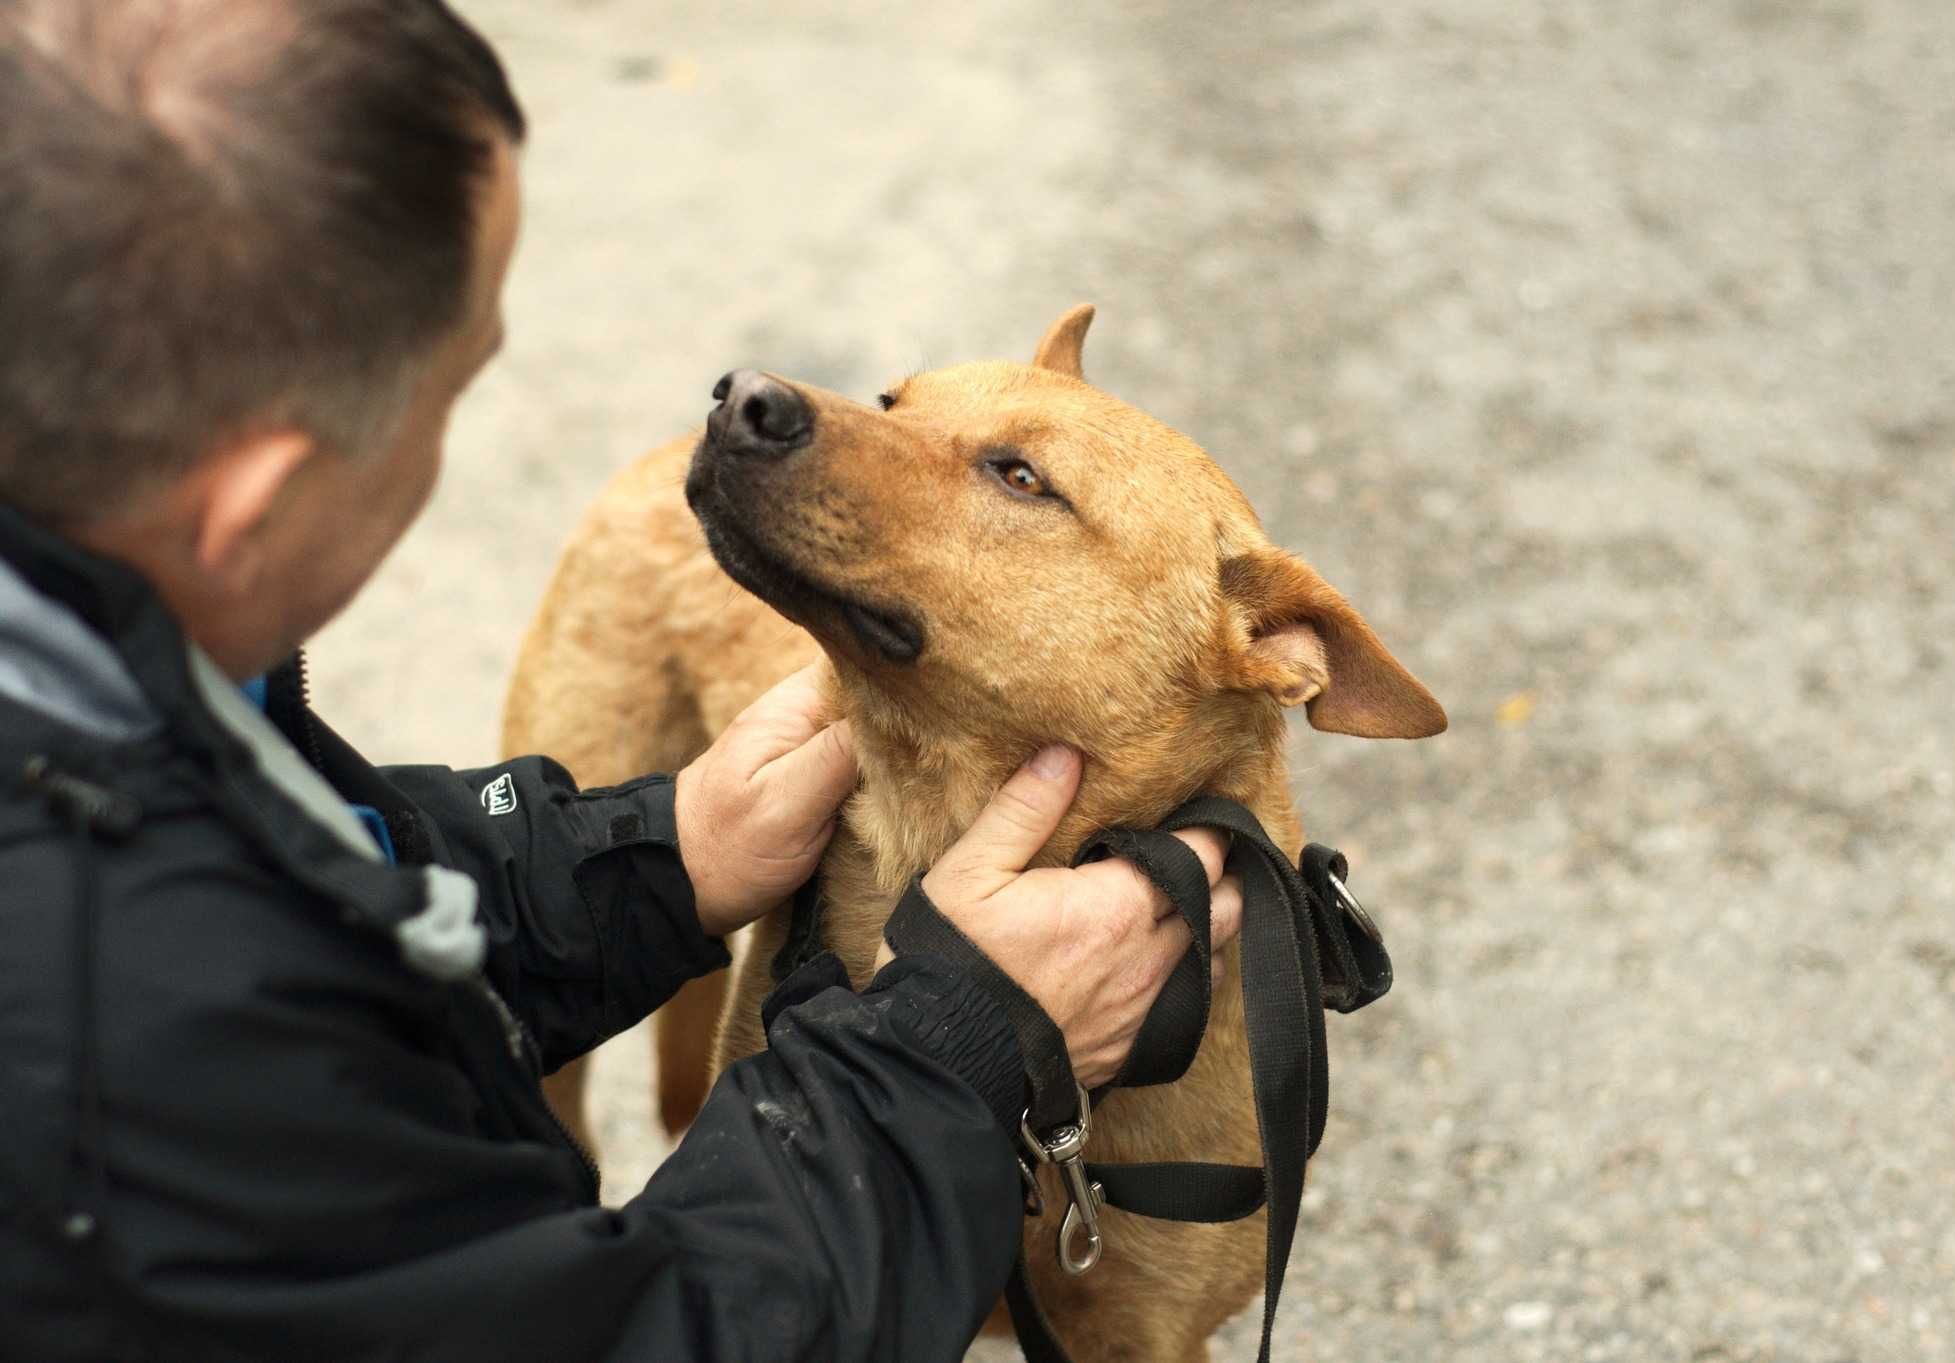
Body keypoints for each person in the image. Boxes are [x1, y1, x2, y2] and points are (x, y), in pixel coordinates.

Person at [0, 2, 1247, 1359]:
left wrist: (648, 859)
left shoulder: (94, 723)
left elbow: (290, 871)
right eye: (451, 397)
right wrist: (960, 1047)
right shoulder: (156, 1062)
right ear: (250, 511)